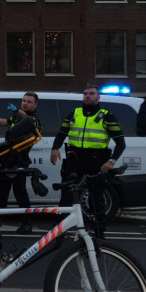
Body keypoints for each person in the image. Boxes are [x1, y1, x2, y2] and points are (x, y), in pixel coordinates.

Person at [50, 85, 126, 216]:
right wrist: (55, 148)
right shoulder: (74, 113)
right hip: (74, 159)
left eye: (91, 93)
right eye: (85, 93)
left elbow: (121, 143)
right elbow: (61, 133)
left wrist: (111, 161)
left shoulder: (107, 116)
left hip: (96, 161)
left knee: (96, 196)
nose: (88, 96)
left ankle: (98, 232)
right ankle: (61, 231)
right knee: (67, 196)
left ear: (98, 97)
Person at [0, 91, 42, 233]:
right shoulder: (16, 117)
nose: (25, 103)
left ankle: (26, 223)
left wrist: (17, 110)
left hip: (19, 161)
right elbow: (4, 122)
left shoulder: (33, 119)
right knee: (1, 192)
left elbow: (26, 119)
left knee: (21, 194)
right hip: (8, 160)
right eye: (24, 100)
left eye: (29, 101)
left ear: (35, 104)